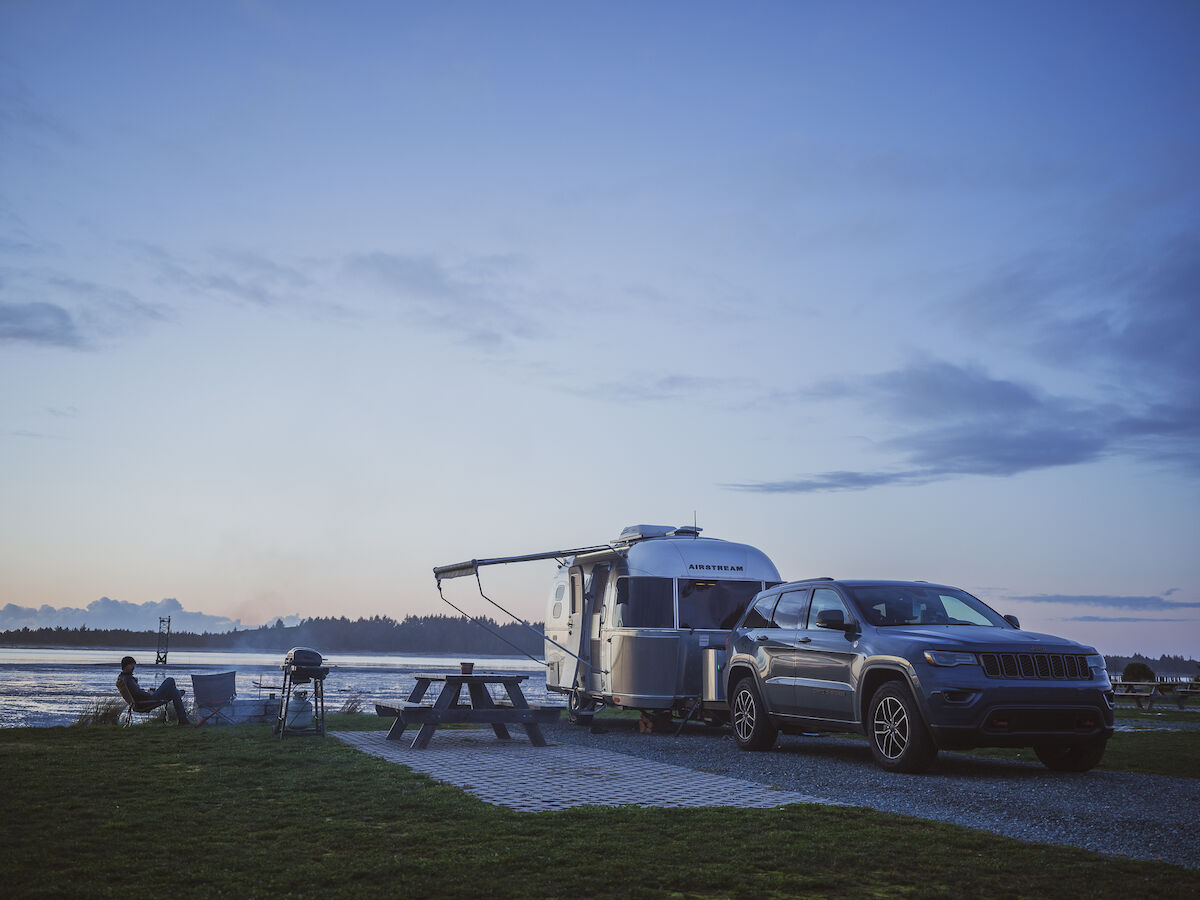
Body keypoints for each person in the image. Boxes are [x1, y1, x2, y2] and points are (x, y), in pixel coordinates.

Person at [117, 656, 192, 726]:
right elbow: (138, 693)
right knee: (170, 680)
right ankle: (183, 718)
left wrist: (146, 692)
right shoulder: (128, 679)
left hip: (142, 701)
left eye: (134, 665)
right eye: (131, 665)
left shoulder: (123, 678)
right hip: (147, 701)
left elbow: (136, 693)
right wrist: (149, 694)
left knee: (174, 693)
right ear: (125, 666)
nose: (133, 667)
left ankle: (183, 719)